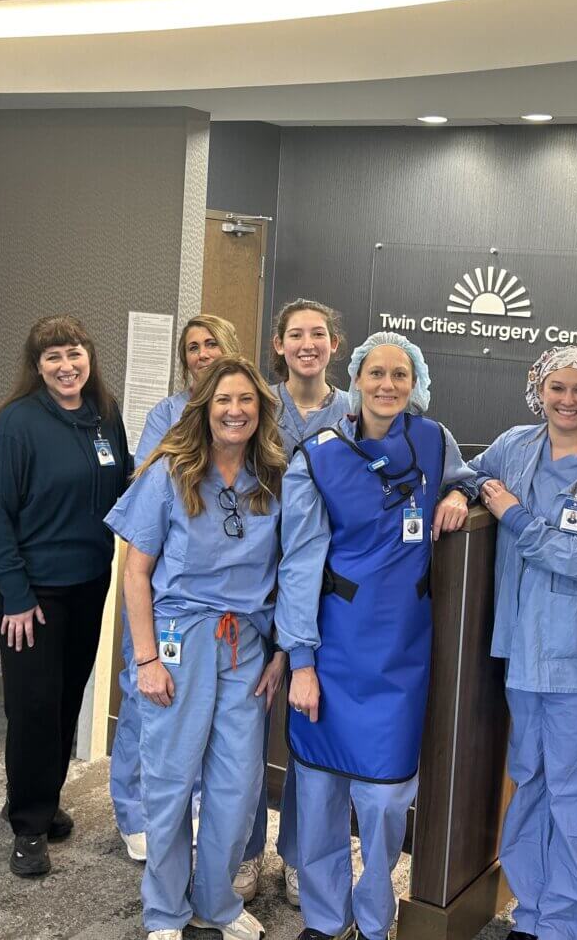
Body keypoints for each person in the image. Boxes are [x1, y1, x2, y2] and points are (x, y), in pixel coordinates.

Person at [276, 332, 480, 940]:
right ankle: (324, 917)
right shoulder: (317, 457)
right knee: (318, 797)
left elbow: (471, 476)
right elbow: (299, 564)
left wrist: (456, 491)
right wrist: (302, 662)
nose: (388, 385)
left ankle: (373, 917)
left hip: (402, 651)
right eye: (376, 374)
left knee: (387, 801)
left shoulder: (432, 440)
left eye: (400, 375)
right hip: (333, 645)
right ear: (356, 380)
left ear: (414, 382)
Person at [104, 357, 286, 940]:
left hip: (246, 645)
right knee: (171, 780)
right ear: (204, 410)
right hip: (179, 641)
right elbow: (136, 575)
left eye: (246, 401)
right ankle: (164, 911)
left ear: (261, 409)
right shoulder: (170, 472)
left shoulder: (274, 480)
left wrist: (281, 651)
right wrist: (147, 658)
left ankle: (216, 903)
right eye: (223, 401)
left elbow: (293, 570)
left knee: (237, 784)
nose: (236, 411)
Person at [468, 347, 577, 940]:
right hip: (525, 655)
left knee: (575, 800)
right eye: (556, 388)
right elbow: (468, 471)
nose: (567, 400)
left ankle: (562, 925)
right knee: (531, 783)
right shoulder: (517, 446)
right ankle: (530, 914)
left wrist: (512, 513)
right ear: (537, 389)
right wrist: (457, 495)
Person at [0, 315, 131, 878]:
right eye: (53, 358)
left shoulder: (104, 414)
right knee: (34, 704)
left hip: (88, 582)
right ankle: (29, 828)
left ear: (90, 356)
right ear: (36, 367)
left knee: (64, 699)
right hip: (28, 591)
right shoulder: (18, 424)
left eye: (74, 353)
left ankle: (40, 794)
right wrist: (16, 593)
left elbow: (124, 483)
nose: (66, 366)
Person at [113, 313, 243, 862]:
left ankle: (184, 809)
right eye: (192, 347)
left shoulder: (249, 416)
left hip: (224, 605)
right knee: (149, 699)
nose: (201, 353)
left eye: (212, 343)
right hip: (165, 593)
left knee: (203, 714)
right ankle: (133, 809)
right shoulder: (165, 416)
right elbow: (146, 491)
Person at [241, 299, 356, 907]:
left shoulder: (357, 411)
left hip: (331, 593)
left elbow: (427, 461)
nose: (307, 343)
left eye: (319, 333)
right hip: (256, 583)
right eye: (295, 335)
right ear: (278, 344)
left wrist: (462, 490)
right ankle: (245, 852)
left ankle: (297, 858)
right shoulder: (257, 406)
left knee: (310, 732)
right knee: (245, 727)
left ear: (335, 344)